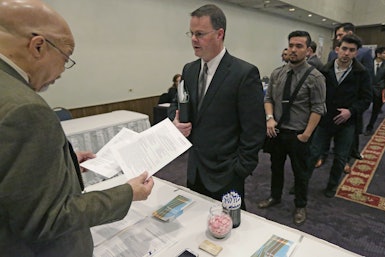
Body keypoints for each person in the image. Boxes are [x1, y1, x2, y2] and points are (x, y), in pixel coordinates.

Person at [0, 1, 154, 256]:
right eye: (66, 57)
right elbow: (47, 218)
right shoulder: (26, 109)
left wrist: (65, 164)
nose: (62, 71)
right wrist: (127, 193)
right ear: (38, 46)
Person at [168, 4, 265, 209]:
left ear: (219, 34)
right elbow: (177, 103)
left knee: (229, 231)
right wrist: (175, 120)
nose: (194, 39)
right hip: (195, 169)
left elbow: (254, 130)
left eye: (200, 34)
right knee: (196, 226)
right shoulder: (189, 70)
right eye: (192, 33)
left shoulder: (244, 73)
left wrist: (240, 169)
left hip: (227, 173)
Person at [258, 31, 326, 226]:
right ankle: (275, 196)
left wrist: (306, 135)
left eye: (299, 46)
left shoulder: (315, 77)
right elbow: (268, 98)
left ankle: (300, 205)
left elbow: (318, 109)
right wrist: (269, 118)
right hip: (277, 132)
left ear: (308, 50)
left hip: (299, 135)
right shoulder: (277, 73)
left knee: (300, 173)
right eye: (291, 45)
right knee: (276, 167)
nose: (293, 50)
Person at [308, 34, 372, 198]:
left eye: (351, 50)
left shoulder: (362, 73)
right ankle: (301, 182)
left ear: (356, 53)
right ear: (337, 49)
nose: (346, 53)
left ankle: (331, 186)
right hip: (324, 119)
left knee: (340, 158)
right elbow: (315, 94)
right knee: (313, 154)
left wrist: (351, 111)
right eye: (344, 49)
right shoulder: (324, 70)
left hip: (347, 123)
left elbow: (366, 98)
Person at [317, 22, 373, 170]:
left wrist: (352, 110)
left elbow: (367, 91)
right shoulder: (331, 56)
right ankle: (322, 155)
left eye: (341, 35)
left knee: (345, 144)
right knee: (322, 140)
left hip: (350, 108)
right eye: (338, 38)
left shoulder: (365, 55)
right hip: (329, 110)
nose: (346, 52)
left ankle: (345, 160)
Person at [364, 47, 385, 136]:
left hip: (379, 91)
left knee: (375, 111)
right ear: (378, 54)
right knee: (362, 108)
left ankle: (370, 127)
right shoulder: (368, 64)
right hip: (367, 90)